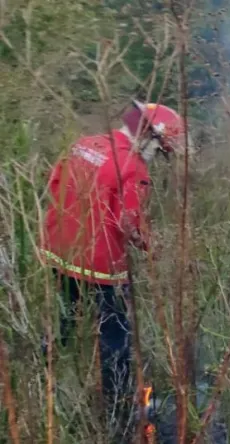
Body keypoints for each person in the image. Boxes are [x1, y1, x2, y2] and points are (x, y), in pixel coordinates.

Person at [40, 100, 185, 422]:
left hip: (59, 252)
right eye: (160, 150)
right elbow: (128, 223)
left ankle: (40, 375)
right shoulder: (134, 168)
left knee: (65, 318)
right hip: (102, 266)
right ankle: (119, 406)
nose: (157, 158)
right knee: (116, 337)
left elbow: (53, 186)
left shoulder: (82, 145)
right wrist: (152, 246)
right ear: (148, 136)